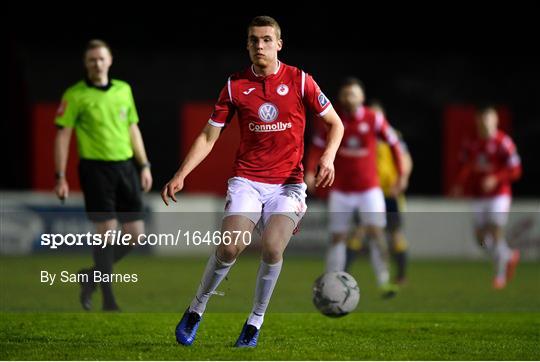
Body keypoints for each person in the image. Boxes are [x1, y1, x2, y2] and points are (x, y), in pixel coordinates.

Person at [161, 16, 343, 347]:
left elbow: (335, 123)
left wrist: (328, 157)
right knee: (230, 246)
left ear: (279, 44)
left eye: (266, 39)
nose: (260, 45)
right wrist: (181, 173)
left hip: (288, 185)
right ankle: (196, 309)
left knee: (273, 247)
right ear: (247, 45)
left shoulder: (301, 81)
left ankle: (254, 323)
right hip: (247, 180)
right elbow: (208, 135)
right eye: (253, 40)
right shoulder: (234, 85)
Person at [54, 39, 152, 311]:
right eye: (91, 60)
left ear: (109, 61)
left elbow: (133, 129)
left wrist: (143, 165)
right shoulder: (75, 95)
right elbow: (63, 136)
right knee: (107, 232)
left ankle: (90, 276)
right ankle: (109, 300)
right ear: (86, 65)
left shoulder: (123, 90)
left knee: (135, 234)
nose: (97, 64)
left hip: (126, 168)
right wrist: (60, 176)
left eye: (101, 59)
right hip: (95, 170)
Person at [305, 78, 404, 298]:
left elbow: (394, 144)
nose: (350, 98)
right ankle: (331, 284)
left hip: (369, 190)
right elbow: (317, 147)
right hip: (340, 190)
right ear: (341, 98)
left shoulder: (374, 119)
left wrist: (401, 175)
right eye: (346, 94)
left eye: (354, 94)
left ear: (361, 97)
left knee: (376, 233)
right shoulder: (332, 120)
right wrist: (310, 171)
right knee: (337, 237)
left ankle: (384, 281)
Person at [452, 106, 522, 289]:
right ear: (477, 121)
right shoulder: (472, 142)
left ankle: (499, 276)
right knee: (480, 240)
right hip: (478, 196)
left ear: (495, 120)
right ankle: (507, 255)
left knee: (495, 230)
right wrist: (459, 184)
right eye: (482, 119)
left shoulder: (503, 142)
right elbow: (464, 166)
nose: (485, 123)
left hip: (499, 195)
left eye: (488, 119)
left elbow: (516, 170)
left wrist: (496, 178)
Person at [344, 102, 413, 285]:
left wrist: (402, 178)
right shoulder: (361, 135)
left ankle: (401, 275)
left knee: (395, 233)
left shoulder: (392, 135)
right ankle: (343, 274)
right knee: (358, 231)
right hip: (367, 192)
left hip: (389, 193)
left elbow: (405, 158)